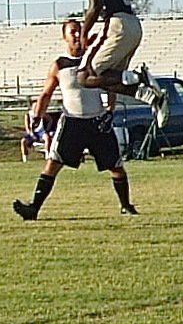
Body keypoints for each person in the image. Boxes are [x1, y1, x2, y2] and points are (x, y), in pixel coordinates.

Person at [13, 19, 138, 220]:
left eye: (80, 30)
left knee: (115, 165)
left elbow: (110, 85)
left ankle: (126, 206)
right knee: (53, 164)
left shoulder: (95, 60)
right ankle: (33, 208)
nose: (78, 35)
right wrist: (37, 115)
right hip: (72, 122)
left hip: (97, 121)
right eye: (73, 32)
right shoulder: (59, 65)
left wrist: (110, 109)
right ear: (64, 37)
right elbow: (46, 94)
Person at [71, 0, 168, 126]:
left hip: (117, 24)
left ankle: (142, 77)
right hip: (133, 25)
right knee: (112, 81)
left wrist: (84, 32)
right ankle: (153, 98)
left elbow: (95, 6)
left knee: (84, 76)